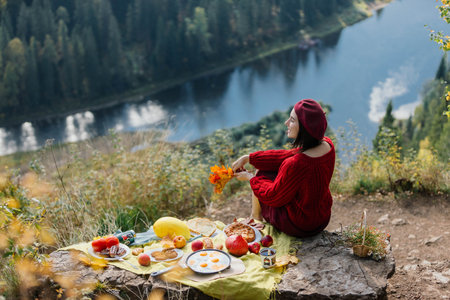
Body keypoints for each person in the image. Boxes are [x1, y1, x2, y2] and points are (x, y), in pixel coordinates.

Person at [232, 99, 335, 238]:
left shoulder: (296, 164)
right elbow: (286, 156)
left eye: (292, 120)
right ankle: (255, 216)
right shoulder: (327, 145)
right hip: (321, 217)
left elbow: (272, 197)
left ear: (304, 127)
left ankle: (256, 218)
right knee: (264, 168)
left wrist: (251, 178)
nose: (286, 123)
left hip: (300, 225)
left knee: (261, 174)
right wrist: (248, 158)